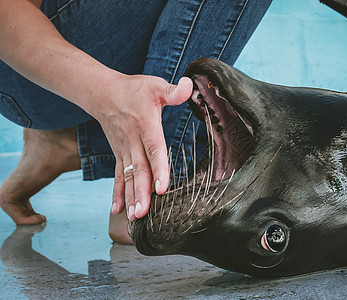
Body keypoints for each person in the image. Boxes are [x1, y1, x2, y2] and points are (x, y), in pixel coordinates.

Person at [0, 0, 272, 244]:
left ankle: (71, 143)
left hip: (33, 81)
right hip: (18, 56)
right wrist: (106, 94)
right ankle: (154, 199)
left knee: (234, 148)